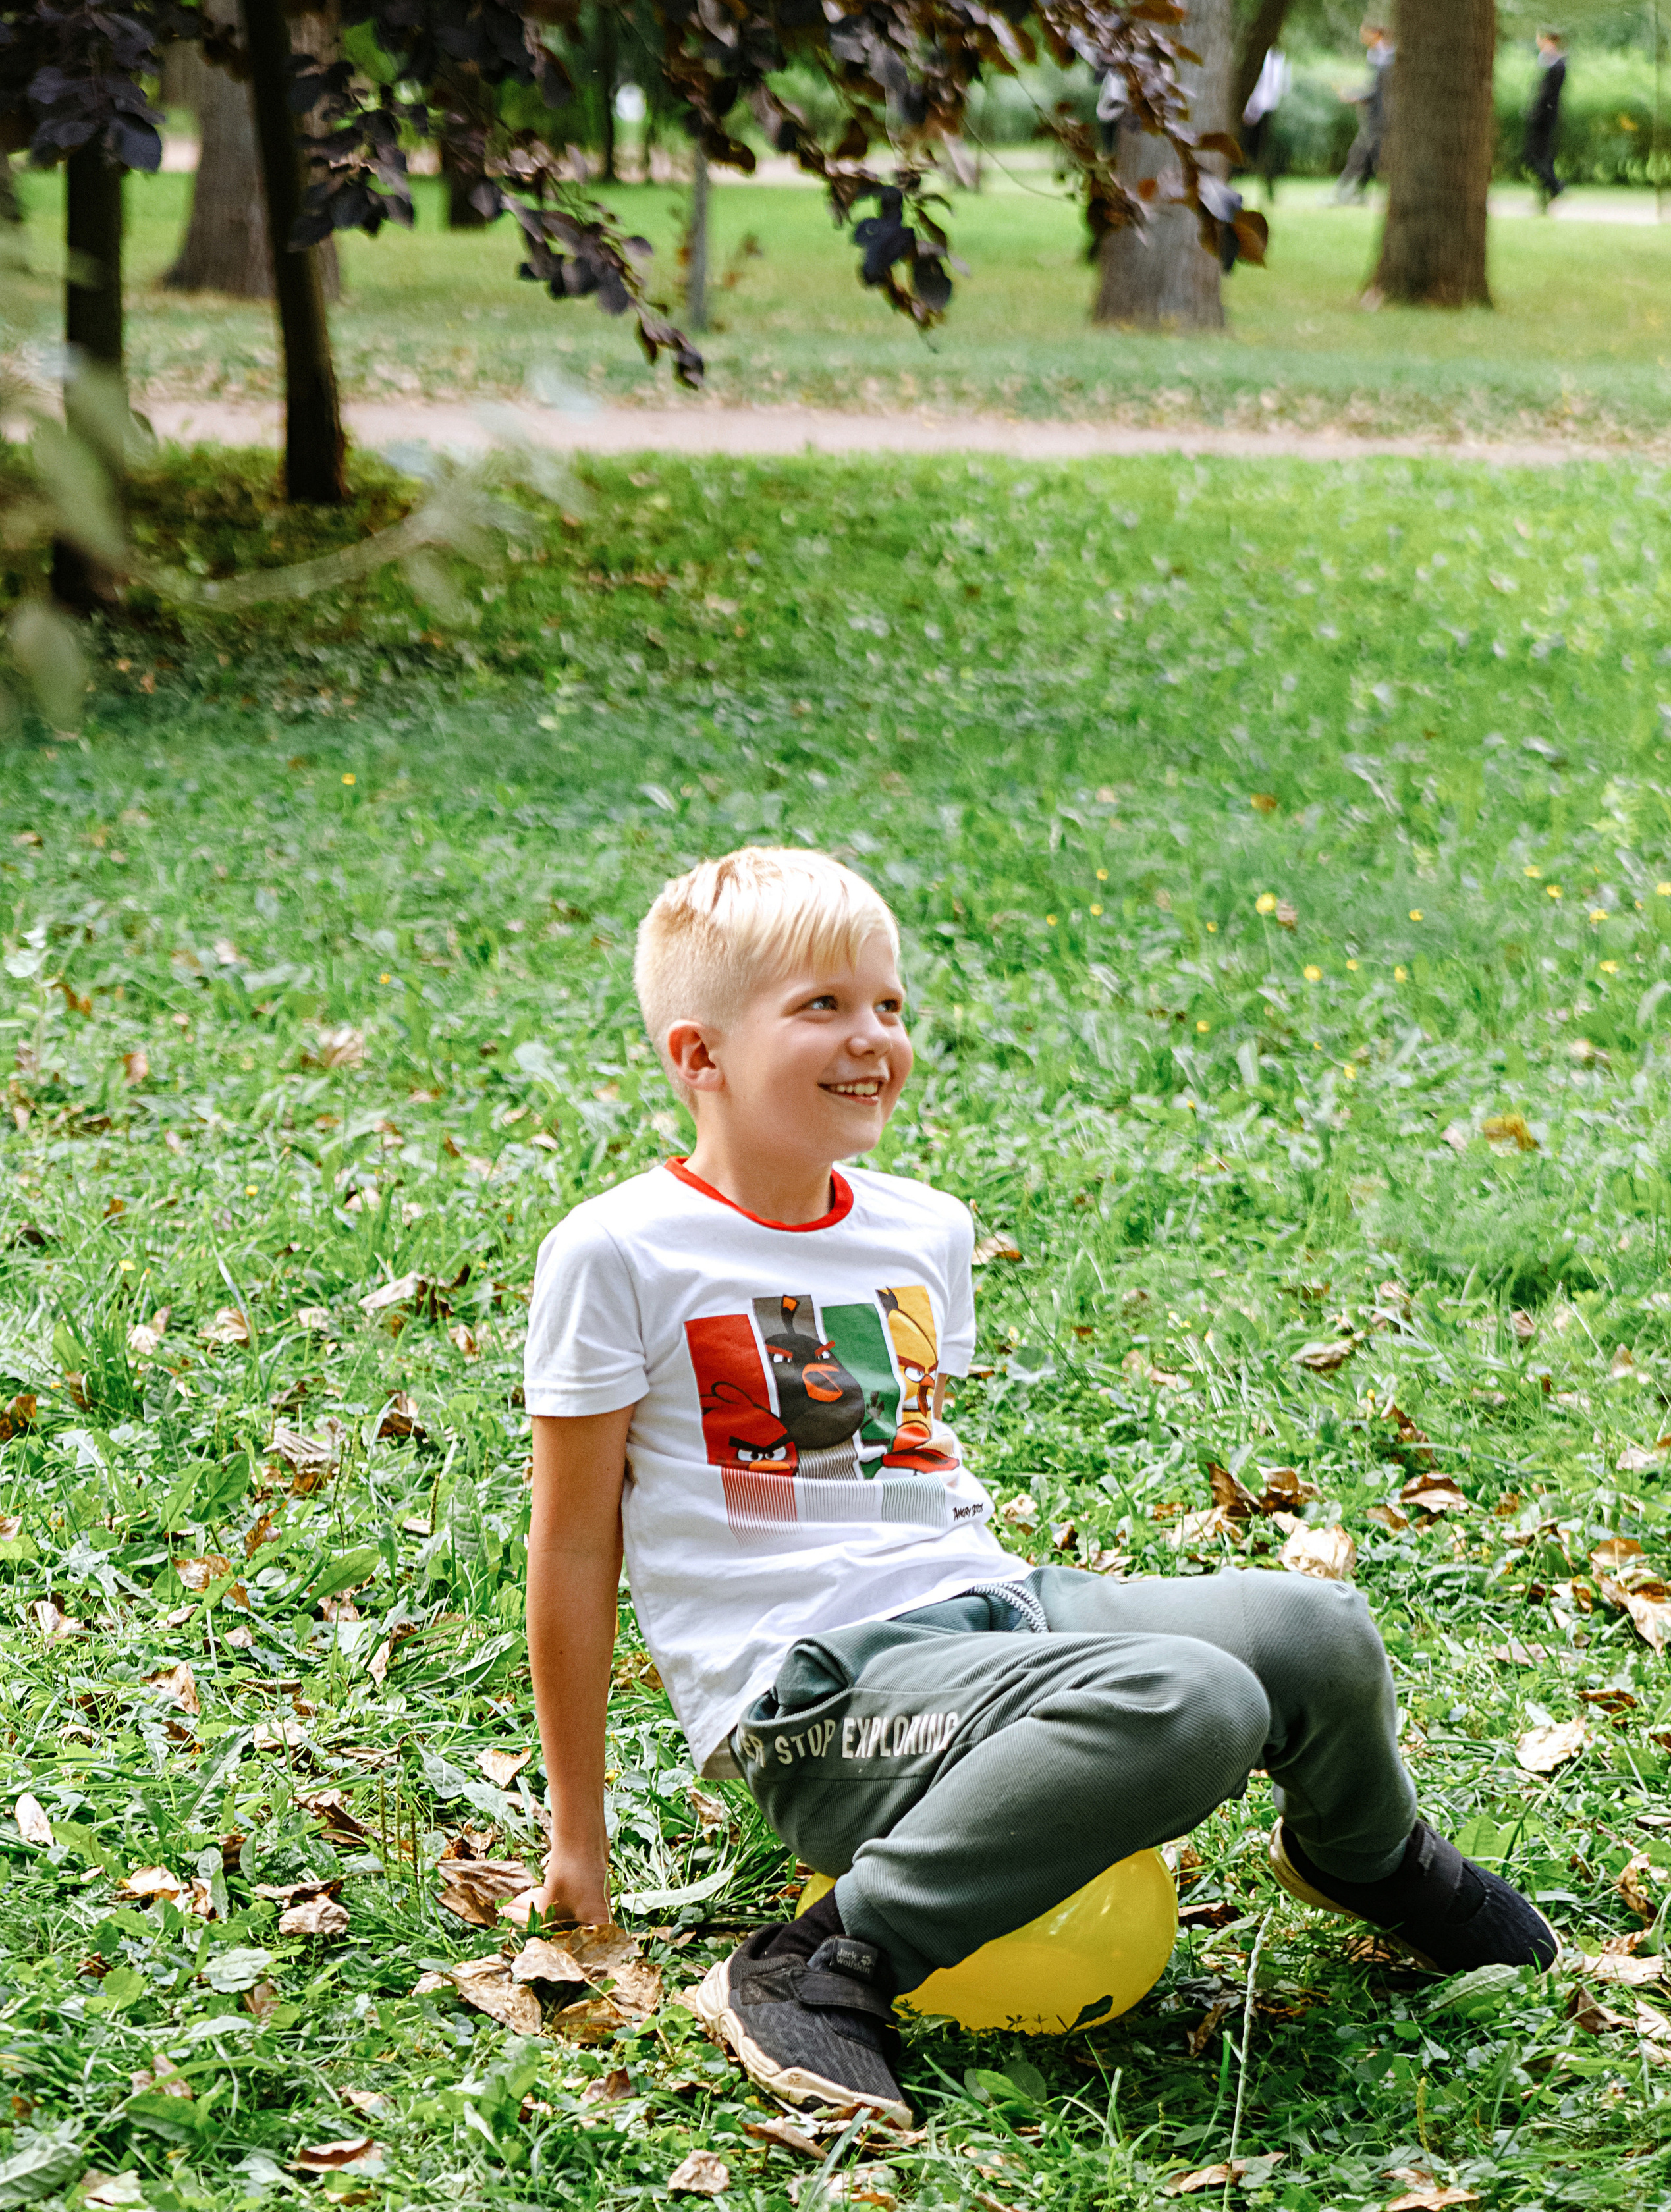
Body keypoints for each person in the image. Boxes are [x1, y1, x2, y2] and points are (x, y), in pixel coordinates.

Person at [524, 847, 1556, 2130]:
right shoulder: (619, 1252)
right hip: (817, 1697)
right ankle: (819, 1963)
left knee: (1313, 1628)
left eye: (887, 1003)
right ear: (700, 1056)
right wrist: (579, 1840)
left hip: (991, 1607)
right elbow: (574, 1547)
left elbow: (898, 1472)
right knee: (1193, 1705)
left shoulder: (922, 1227)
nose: (872, 1036)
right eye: (821, 1006)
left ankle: (1364, 1858)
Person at [1334, 20, 1394, 203]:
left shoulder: (1386, 56)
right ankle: (1355, 192)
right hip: (1375, 113)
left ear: (1375, 33)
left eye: (1364, 34)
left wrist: (1355, 96)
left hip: (1383, 113)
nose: (1362, 39)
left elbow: (1378, 89)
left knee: (1363, 152)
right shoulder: (1375, 54)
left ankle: (1344, 192)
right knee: (1368, 153)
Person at [1241, 46, 1290, 200]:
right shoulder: (1266, 56)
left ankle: (1268, 186)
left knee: (1263, 150)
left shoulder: (1279, 57)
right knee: (1254, 149)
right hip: (1258, 107)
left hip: (1265, 107)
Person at [1525, 30, 1567, 207]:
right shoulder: (1551, 63)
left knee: (1536, 155)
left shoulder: (1556, 65)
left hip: (1544, 117)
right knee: (1538, 156)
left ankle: (1554, 187)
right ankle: (1550, 188)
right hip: (1543, 116)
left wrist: (1535, 113)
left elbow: (1547, 94)